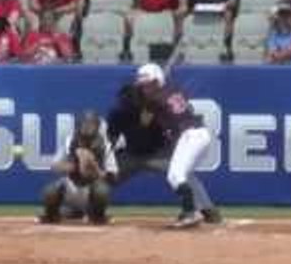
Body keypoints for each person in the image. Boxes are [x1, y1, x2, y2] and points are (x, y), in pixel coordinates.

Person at [105, 81, 222, 224]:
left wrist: (151, 117)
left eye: (134, 99)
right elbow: (111, 140)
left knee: (181, 173)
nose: (130, 103)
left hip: (158, 153)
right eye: (127, 100)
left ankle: (206, 208)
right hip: (131, 155)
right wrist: (112, 162)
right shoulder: (117, 115)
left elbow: (174, 127)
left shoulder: (155, 108)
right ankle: (86, 206)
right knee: (106, 177)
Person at [133, 63, 214, 229]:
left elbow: (144, 122)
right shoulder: (174, 89)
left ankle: (190, 213)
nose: (145, 88)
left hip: (189, 136)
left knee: (175, 176)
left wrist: (144, 106)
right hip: (201, 134)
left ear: (158, 81)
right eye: (143, 85)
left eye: (149, 84)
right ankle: (208, 211)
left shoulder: (153, 100)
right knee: (186, 175)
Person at [39, 110, 118, 226]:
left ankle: (97, 216)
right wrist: (76, 166)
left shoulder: (105, 145)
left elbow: (113, 176)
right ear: (78, 125)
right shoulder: (69, 141)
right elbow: (55, 166)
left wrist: (94, 168)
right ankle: (52, 216)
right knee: (50, 190)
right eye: (84, 124)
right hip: (71, 186)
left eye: (91, 124)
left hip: (92, 190)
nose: (87, 127)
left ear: (97, 126)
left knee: (102, 191)